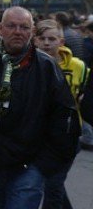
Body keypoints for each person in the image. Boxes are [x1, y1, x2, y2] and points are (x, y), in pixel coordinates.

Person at [0, 7, 81, 209]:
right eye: (11, 26)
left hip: (31, 164)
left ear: (31, 31)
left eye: (24, 27)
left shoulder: (46, 67)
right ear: (0, 29)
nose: (17, 31)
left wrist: (46, 164)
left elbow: (64, 117)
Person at [34, 19, 89, 209]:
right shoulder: (26, 66)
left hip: (69, 136)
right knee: (53, 184)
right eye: (42, 38)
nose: (47, 43)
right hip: (38, 136)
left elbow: (87, 91)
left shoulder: (78, 66)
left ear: (61, 42)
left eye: (52, 39)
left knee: (52, 185)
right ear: (35, 41)